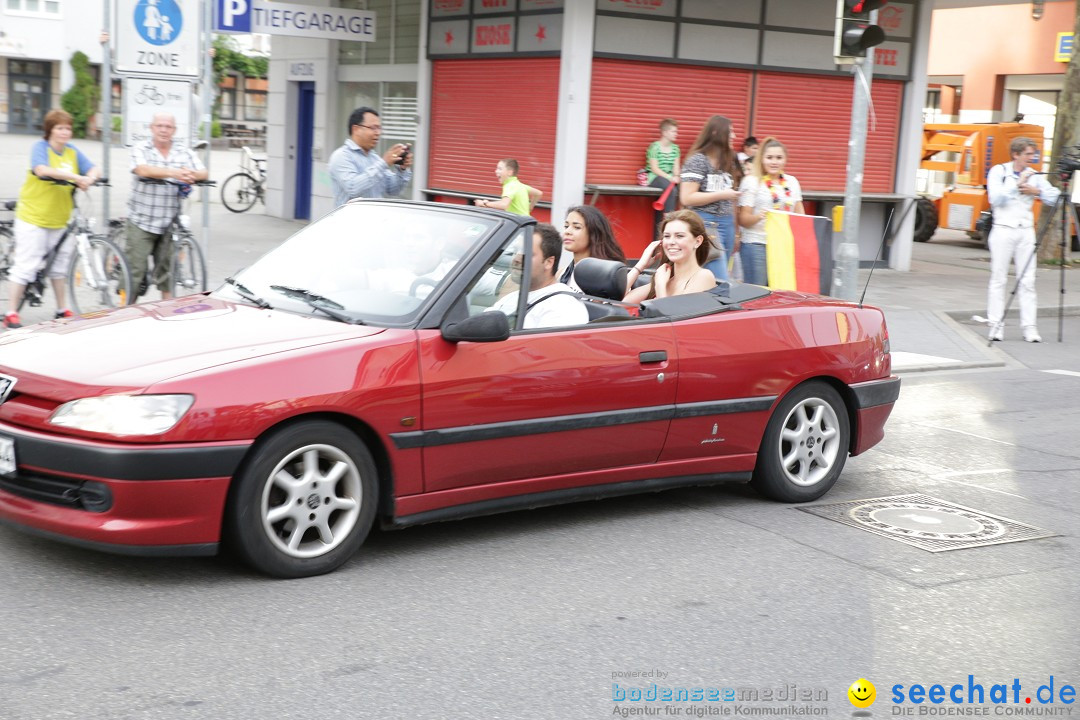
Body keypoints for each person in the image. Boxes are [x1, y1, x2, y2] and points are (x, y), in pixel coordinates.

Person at [4, 109, 101, 329]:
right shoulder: (40, 148)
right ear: (50, 130)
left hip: (59, 219)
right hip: (33, 216)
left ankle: (61, 308)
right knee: (26, 266)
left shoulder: (72, 152)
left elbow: (94, 168)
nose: (64, 132)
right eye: (59, 128)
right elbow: (41, 169)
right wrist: (76, 177)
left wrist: (90, 179)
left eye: (67, 128)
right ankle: (11, 312)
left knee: (59, 267)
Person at [126, 112, 208, 301]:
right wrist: (175, 173)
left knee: (168, 275)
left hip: (169, 221)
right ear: (152, 128)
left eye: (168, 126)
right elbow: (142, 169)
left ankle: (168, 315)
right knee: (134, 274)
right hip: (142, 220)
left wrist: (191, 175)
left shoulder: (183, 151)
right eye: (159, 125)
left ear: (174, 130)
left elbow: (204, 171)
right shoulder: (141, 148)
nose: (164, 130)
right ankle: (124, 314)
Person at [986, 137, 1060, 343]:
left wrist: (1036, 191)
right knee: (998, 278)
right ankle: (995, 325)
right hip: (1003, 229)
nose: (1032, 157)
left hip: (1026, 231)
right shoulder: (999, 171)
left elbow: (1055, 196)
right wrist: (1017, 185)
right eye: (1028, 154)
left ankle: (1029, 327)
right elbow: (995, 199)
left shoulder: (1034, 175)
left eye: (1032, 154)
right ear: (1016, 154)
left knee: (1028, 280)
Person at [491, 223, 588, 329]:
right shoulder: (511, 297)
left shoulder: (565, 307)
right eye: (515, 251)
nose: (516, 259)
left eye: (526, 253)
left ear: (548, 262)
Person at [680, 115, 742, 282]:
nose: (734, 136)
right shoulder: (698, 160)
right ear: (716, 133)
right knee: (719, 278)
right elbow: (687, 197)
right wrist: (722, 194)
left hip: (727, 222)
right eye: (731, 132)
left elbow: (733, 199)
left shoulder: (729, 160)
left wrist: (736, 231)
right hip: (705, 223)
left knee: (713, 276)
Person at [737, 137, 805, 286]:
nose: (774, 162)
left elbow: (801, 215)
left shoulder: (792, 182)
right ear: (761, 159)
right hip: (756, 244)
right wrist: (758, 216)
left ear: (785, 160)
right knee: (757, 292)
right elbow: (743, 219)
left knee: (780, 291)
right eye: (769, 157)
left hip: (783, 245)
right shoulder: (751, 181)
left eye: (779, 158)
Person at [625, 210, 717, 303]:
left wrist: (660, 287)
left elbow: (675, 315)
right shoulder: (665, 278)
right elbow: (621, 302)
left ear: (697, 241)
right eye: (667, 236)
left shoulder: (703, 276)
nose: (671, 242)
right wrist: (641, 265)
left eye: (680, 236)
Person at [327, 106, 412, 206]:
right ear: (356, 129)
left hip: (376, 220)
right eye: (373, 128)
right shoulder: (341, 156)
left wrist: (402, 169)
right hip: (350, 221)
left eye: (379, 128)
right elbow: (353, 188)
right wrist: (384, 163)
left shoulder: (374, 158)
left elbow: (392, 190)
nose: (378, 133)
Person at [559, 205, 626, 291]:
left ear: (593, 233)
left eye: (577, 227)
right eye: (566, 226)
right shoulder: (561, 274)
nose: (567, 231)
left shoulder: (609, 275)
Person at [646, 119, 681, 234]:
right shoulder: (654, 147)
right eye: (673, 131)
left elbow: (676, 168)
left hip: (669, 177)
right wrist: (669, 177)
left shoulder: (676, 149)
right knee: (669, 188)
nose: (676, 134)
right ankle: (669, 219)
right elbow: (654, 168)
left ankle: (682, 216)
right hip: (655, 177)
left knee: (681, 187)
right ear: (665, 132)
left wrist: (676, 176)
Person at [473, 158, 542, 216]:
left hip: (518, 225)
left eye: (500, 169)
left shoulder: (510, 186)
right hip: (526, 223)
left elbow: (504, 204)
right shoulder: (520, 185)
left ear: (509, 172)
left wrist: (484, 203)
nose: (496, 171)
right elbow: (538, 193)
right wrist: (530, 207)